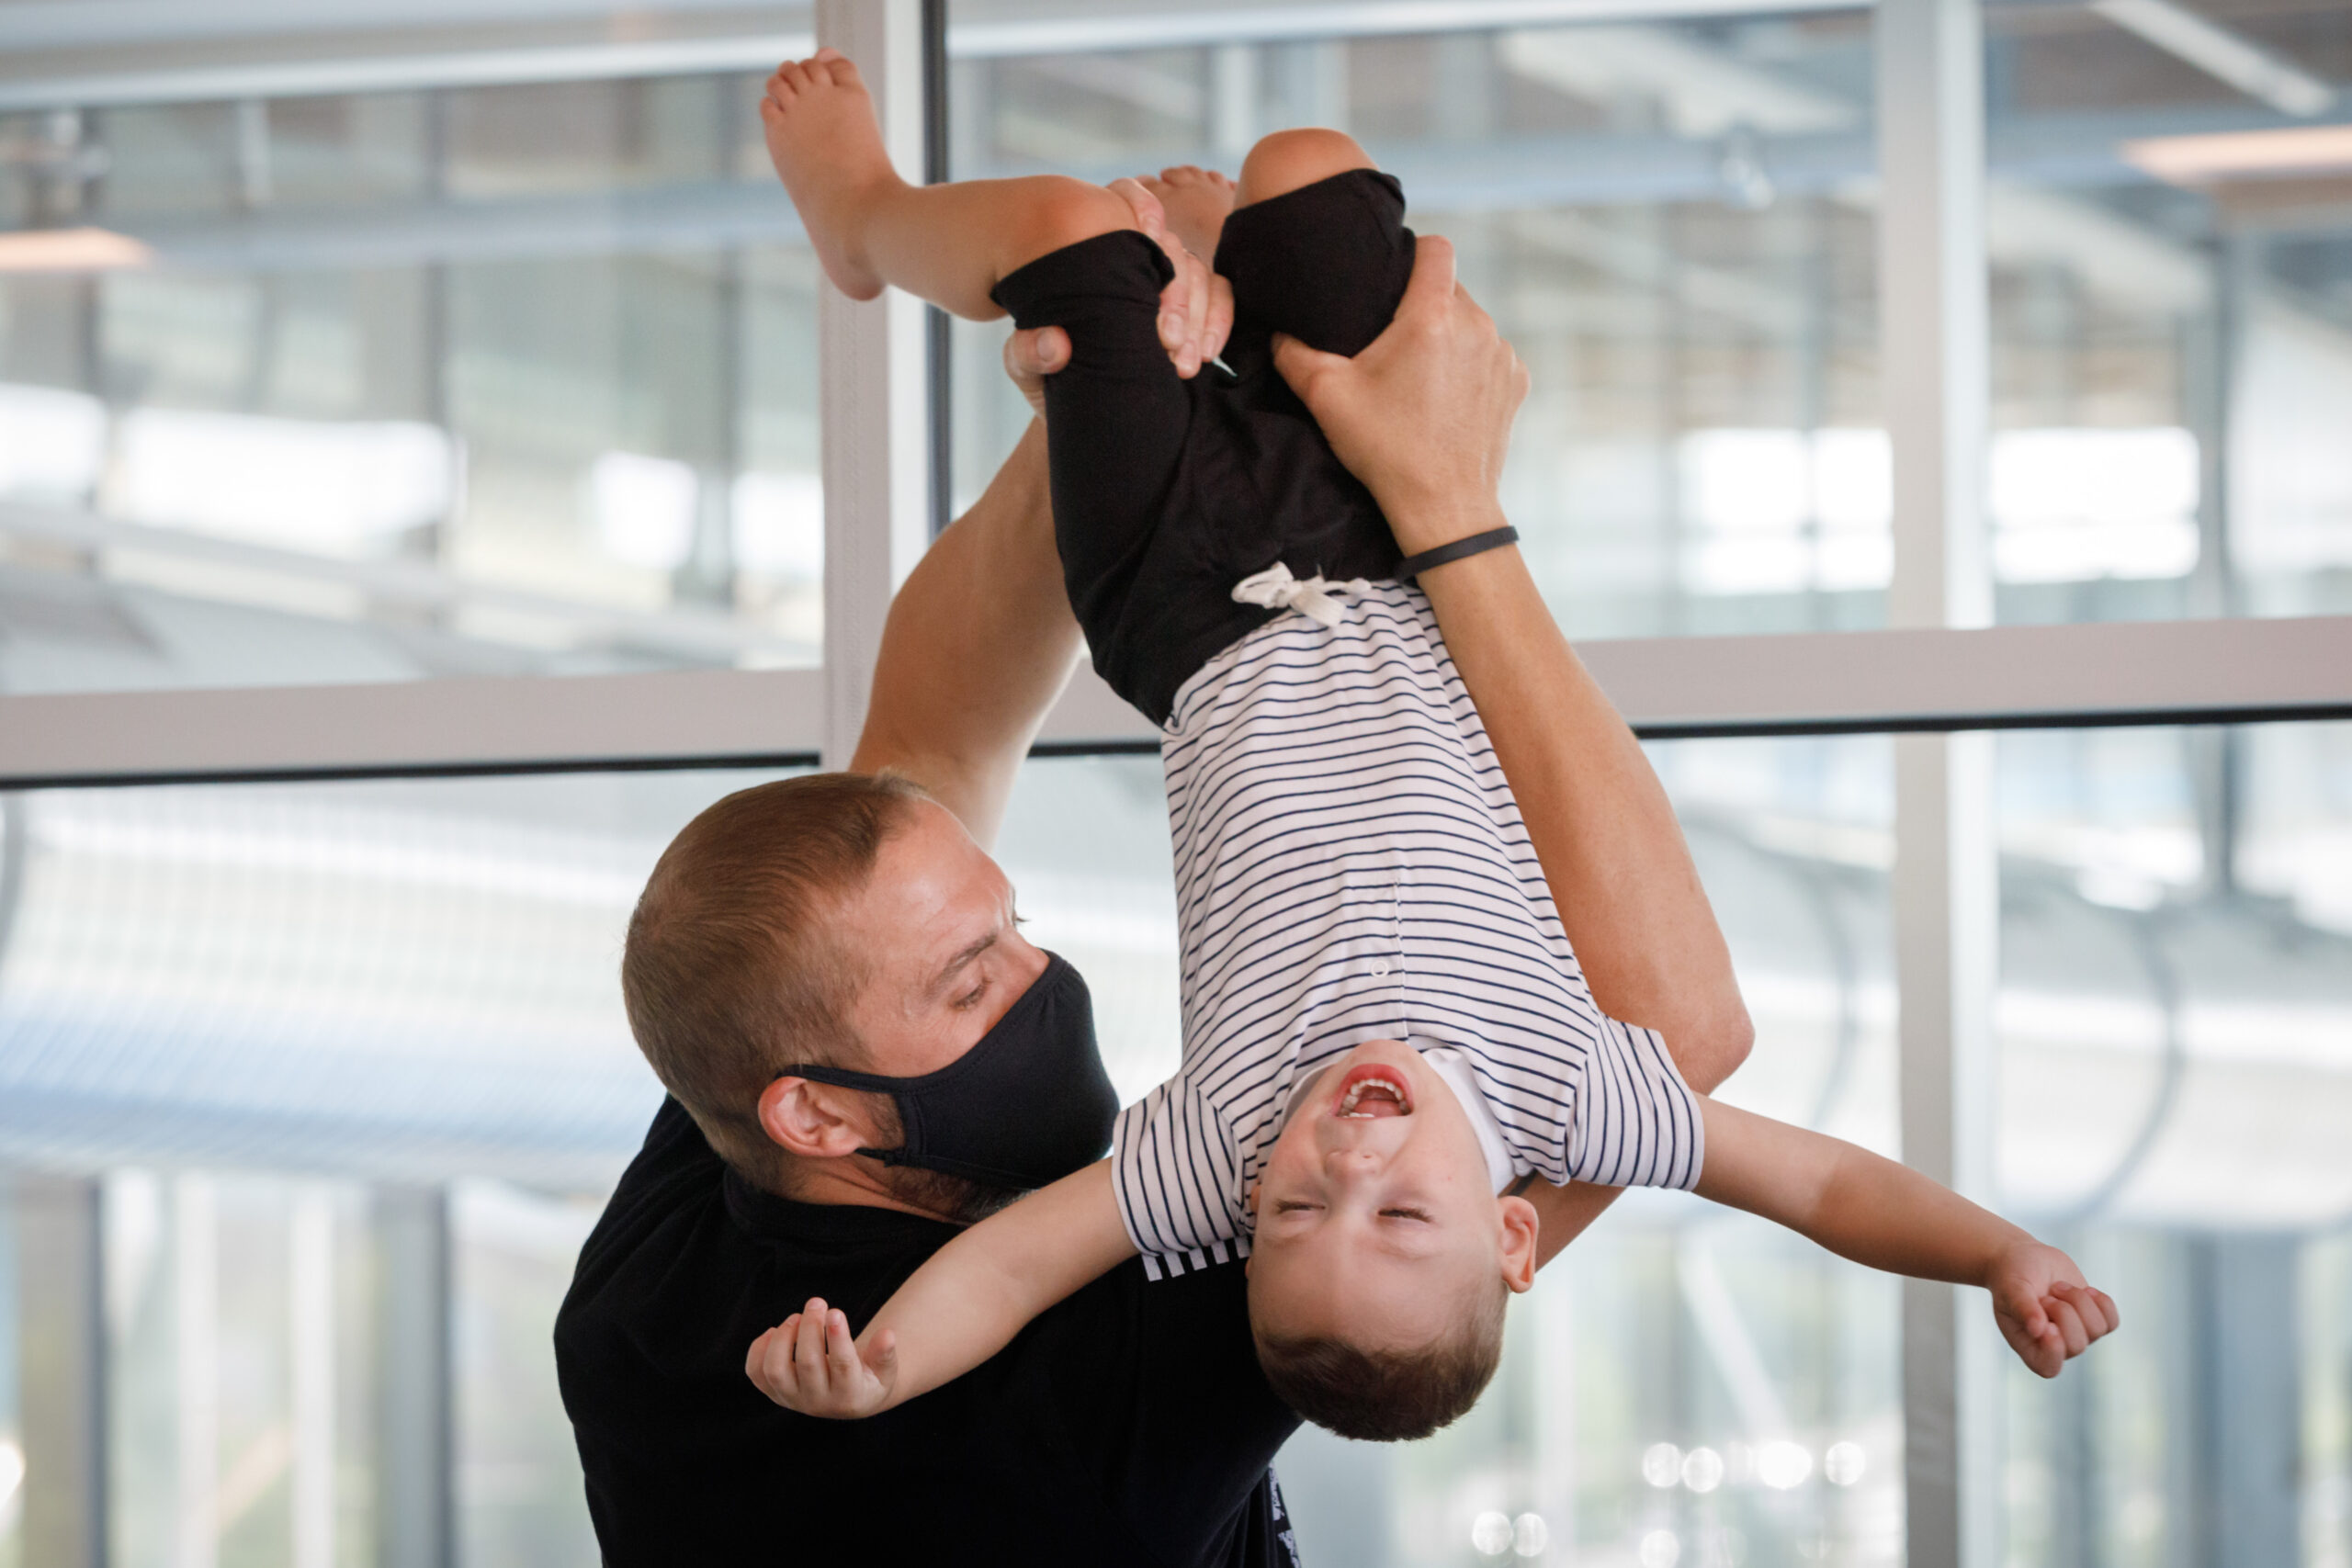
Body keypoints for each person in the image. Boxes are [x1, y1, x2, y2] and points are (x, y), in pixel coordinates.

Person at [744, 50, 2120, 1444]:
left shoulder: (1211, 1150)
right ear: (1516, 1238)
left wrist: (889, 1362)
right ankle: (1239, 278)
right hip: (1386, 548)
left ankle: (864, 216)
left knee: (1067, 236)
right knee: (1308, 168)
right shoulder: (1576, 1101)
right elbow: (1822, 1187)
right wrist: (1997, 1252)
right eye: (1401, 1208)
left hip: (1181, 603)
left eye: (1291, 1210)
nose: (1347, 1155)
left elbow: (1023, 1262)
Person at [557, 59, 1768, 1568]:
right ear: (822, 1115)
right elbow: (1683, 1039)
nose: (1041, 978)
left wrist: (1105, 391)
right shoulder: (1090, 1417)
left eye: (1007, 924)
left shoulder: (683, 1263)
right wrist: (1453, 506)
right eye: (972, 977)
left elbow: (930, 733)